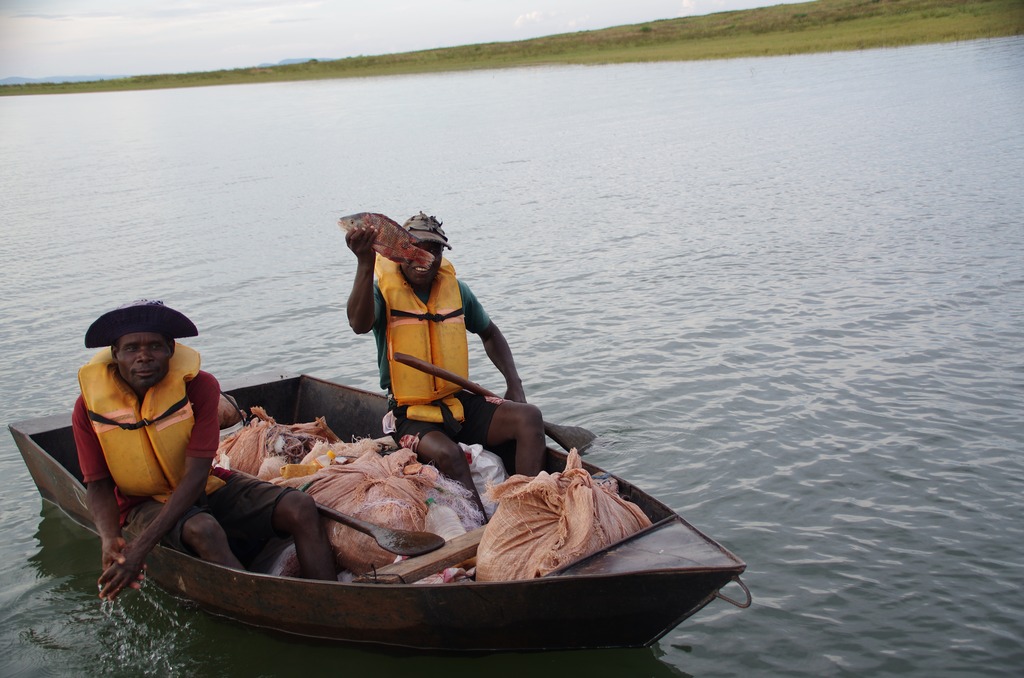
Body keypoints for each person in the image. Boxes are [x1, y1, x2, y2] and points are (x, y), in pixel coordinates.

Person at [72, 299, 335, 601]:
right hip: (140, 502)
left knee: (301, 507)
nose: (143, 356)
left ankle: (328, 601)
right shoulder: (88, 407)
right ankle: (259, 605)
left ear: (171, 349)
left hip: (201, 485)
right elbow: (98, 485)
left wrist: (140, 549)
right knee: (204, 529)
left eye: (155, 346)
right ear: (115, 353)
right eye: (131, 348)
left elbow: (197, 476)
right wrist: (111, 541)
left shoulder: (199, 387)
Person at [345, 212, 546, 513]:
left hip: (456, 402)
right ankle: (482, 528)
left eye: (433, 250)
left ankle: (528, 512)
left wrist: (514, 384)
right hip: (408, 413)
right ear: (399, 252)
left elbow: (490, 334)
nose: (423, 258)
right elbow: (358, 324)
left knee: (529, 417)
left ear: (442, 254)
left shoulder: (457, 290)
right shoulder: (381, 292)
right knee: (450, 455)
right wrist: (364, 262)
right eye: (415, 248)